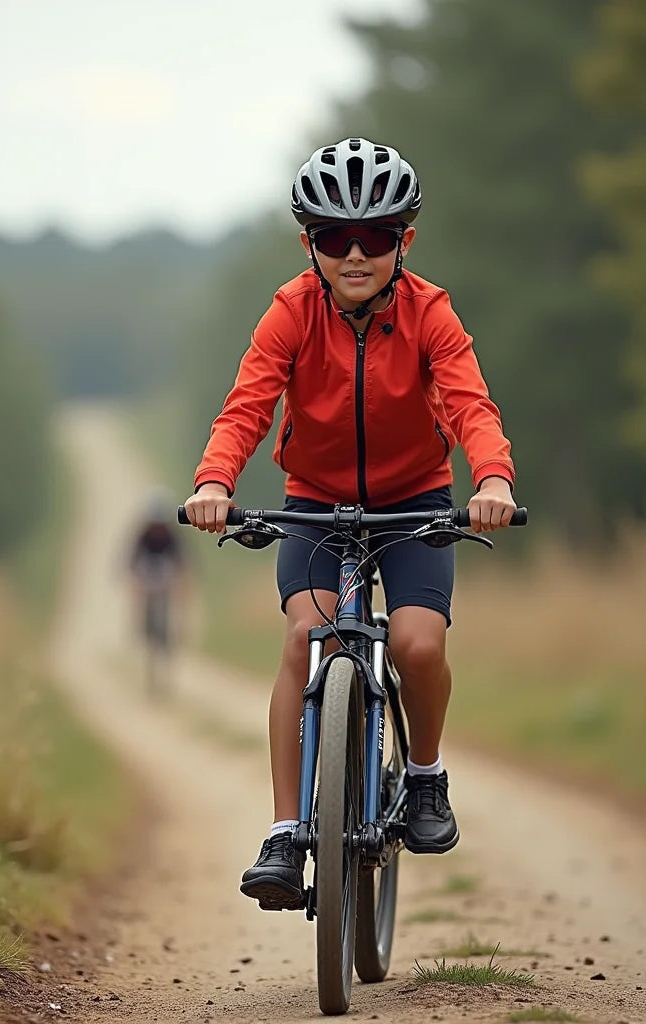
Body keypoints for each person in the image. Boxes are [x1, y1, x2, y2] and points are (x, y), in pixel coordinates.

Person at [182, 138, 517, 911]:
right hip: (313, 505)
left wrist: (492, 477)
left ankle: (425, 775)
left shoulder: (430, 311)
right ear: (310, 244)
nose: (356, 254)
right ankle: (284, 829)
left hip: (415, 503)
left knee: (416, 642)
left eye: (377, 237)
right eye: (336, 239)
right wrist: (213, 482)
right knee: (308, 639)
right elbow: (247, 409)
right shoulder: (290, 313)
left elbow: (470, 404)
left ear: (407, 239)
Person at [127, 490, 187, 694]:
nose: (158, 529)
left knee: (167, 617)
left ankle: (169, 637)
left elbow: (183, 564)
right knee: (143, 604)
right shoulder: (142, 536)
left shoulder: (172, 537)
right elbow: (132, 564)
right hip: (148, 580)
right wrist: (137, 586)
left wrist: (181, 589)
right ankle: (141, 625)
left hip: (164, 582)